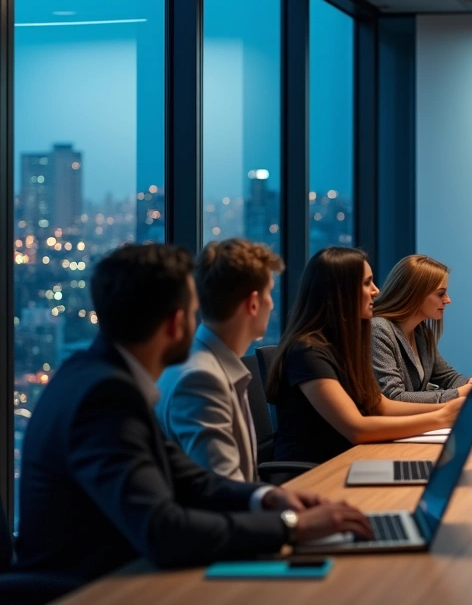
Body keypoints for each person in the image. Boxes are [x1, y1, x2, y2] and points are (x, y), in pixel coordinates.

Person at [14, 244, 371, 582]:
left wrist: (267, 497)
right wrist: (293, 526)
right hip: (96, 586)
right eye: (192, 308)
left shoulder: (93, 374)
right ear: (175, 323)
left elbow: (190, 479)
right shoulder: (106, 396)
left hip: (124, 570)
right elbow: (162, 531)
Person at [266, 247, 464, 464]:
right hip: (315, 473)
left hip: (353, 459)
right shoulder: (308, 351)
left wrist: (448, 407)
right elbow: (356, 429)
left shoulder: (346, 345)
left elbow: (381, 406)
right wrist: (442, 417)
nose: (376, 291)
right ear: (342, 291)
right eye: (367, 283)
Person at [157, 239, 282, 481]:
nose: (272, 303)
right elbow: (224, 488)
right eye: (269, 293)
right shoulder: (200, 379)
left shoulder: (206, 363)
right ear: (253, 303)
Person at [372, 254, 472, 404]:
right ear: (414, 294)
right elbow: (394, 397)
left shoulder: (420, 332)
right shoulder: (378, 329)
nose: (448, 300)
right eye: (440, 294)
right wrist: (461, 393)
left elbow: (447, 377)